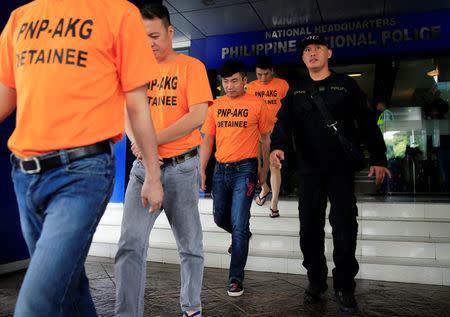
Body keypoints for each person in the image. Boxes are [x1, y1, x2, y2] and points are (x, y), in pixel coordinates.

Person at [0, 0, 163, 316]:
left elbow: (138, 106)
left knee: (36, 303)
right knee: (70, 288)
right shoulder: (21, 16)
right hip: (24, 174)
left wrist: (153, 176)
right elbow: (6, 95)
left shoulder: (119, 13)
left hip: (82, 172)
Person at [270, 35, 391, 313]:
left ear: (329, 53)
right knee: (309, 229)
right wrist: (277, 147)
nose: (312, 53)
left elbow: (367, 122)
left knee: (344, 227)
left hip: (340, 169)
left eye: (318, 49)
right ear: (303, 58)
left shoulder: (346, 84)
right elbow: (283, 122)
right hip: (309, 170)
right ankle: (316, 281)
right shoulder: (297, 89)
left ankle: (344, 285)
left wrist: (379, 158)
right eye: (307, 50)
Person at [114, 4, 213, 317]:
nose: (150, 43)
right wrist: (137, 141)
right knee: (129, 244)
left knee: (190, 246)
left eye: (155, 35)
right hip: (144, 171)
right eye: (143, 37)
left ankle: (191, 308)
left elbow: (198, 114)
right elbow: (127, 111)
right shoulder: (134, 70)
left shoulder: (190, 67)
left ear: (170, 32)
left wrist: (150, 140)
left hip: (182, 169)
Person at [200, 60, 272, 297]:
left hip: (246, 168)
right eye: (225, 81)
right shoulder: (215, 106)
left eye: (234, 81)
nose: (229, 86)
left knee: (240, 224)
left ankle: (235, 278)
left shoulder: (257, 104)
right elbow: (208, 140)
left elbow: (265, 139)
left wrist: (264, 170)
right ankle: (241, 236)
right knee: (220, 218)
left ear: (244, 81)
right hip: (220, 169)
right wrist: (201, 170)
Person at [246, 56, 289, 218]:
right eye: (259, 74)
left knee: (274, 166)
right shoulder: (251, 86)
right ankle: (264, 188)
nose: (262, 78)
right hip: (255, 131)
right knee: (254, 164)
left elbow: (288, 109)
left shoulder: (282, 85)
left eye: (266, 74)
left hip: (275, 131)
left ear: (272, 71)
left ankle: (274, 203)